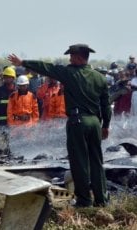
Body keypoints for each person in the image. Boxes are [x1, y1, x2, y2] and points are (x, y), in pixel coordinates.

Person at [8, 44, 112, 207]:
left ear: (78, 57)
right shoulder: (99, 77)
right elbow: (106, 104)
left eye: (71, 56)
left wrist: (23, 62)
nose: (69, 59)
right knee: (97, 162)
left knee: (79, 162)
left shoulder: (70, 73)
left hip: (78, 122)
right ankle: (102, 200)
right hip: (95, 123)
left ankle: (84, 200)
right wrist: (106, 125)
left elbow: (46, 68)